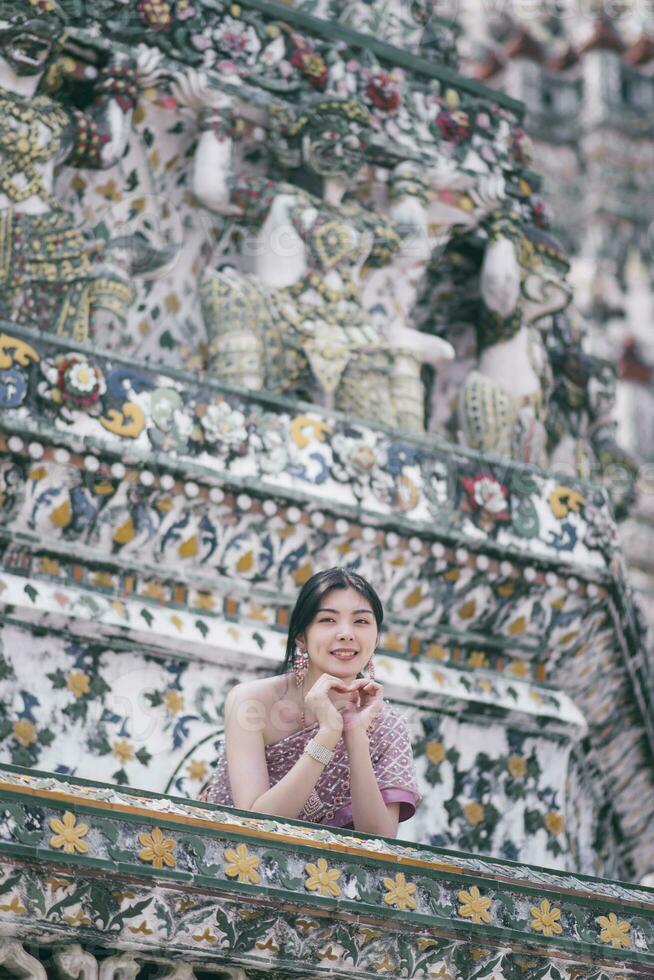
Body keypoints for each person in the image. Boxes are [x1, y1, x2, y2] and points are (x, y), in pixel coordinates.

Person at [200, 568, 420, 838]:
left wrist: (353, 732)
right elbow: (254, 823)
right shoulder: (251, 702)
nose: (346, 633)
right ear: (302, 637)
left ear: (375, 639)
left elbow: (381, 841)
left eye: (361, 622)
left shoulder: (388, 724)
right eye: (328, 619)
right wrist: (327, 733)